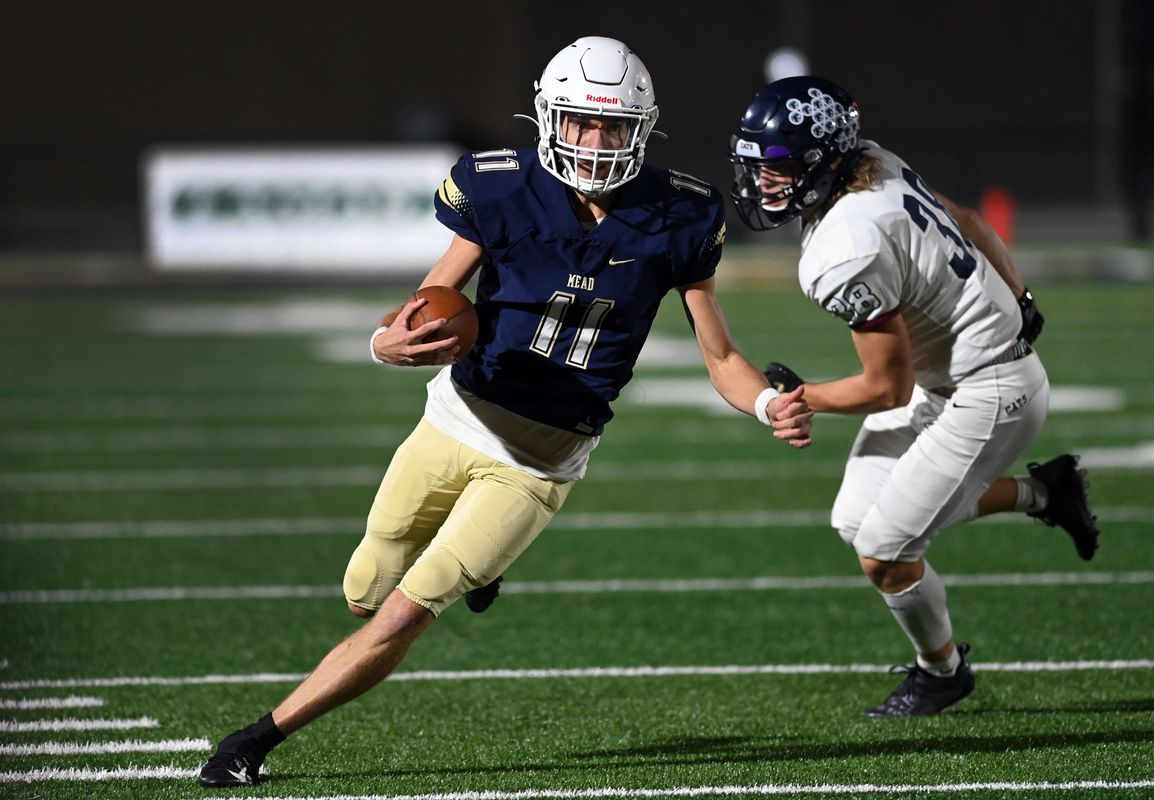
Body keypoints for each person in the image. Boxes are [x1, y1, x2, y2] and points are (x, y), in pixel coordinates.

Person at [197, 36, 813, 788]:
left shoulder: (681, 214)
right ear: (549, 118)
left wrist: (765, 404)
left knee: (405, 616)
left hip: (540, 463)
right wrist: (384, 343)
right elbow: (427, 306)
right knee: (364, 592)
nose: (594, 142)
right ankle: (475, 572)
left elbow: (721, 357)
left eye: (612, 127)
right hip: (455, 416)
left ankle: (256, 740)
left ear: (640, 131)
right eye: (581, 123)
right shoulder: (498, 187)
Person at [728, 76, 1099, 717]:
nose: (763, 180)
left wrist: (800, 398)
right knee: (855, 521)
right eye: (757, 163)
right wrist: (1020, 296)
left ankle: (942, 672)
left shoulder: (844, 245)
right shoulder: (872, 164)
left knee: (885, 552)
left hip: (990, 390)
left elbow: (884, 386)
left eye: (780, 165)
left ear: (821, 161)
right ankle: (1048, 492)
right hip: (952, 377)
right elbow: (968, 219)